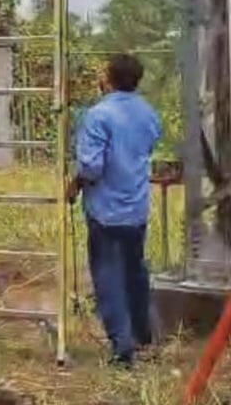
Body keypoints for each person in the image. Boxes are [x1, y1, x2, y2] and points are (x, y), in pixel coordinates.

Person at [67, 54, 162, 367]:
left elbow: (92, 167)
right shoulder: (147, 113)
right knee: (135, 274)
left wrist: (75, 184)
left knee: (109, 278)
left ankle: (122, 350)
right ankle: (144, 338)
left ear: (108, 79)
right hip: (136, 208)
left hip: (106, 211)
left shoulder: (98, 115)